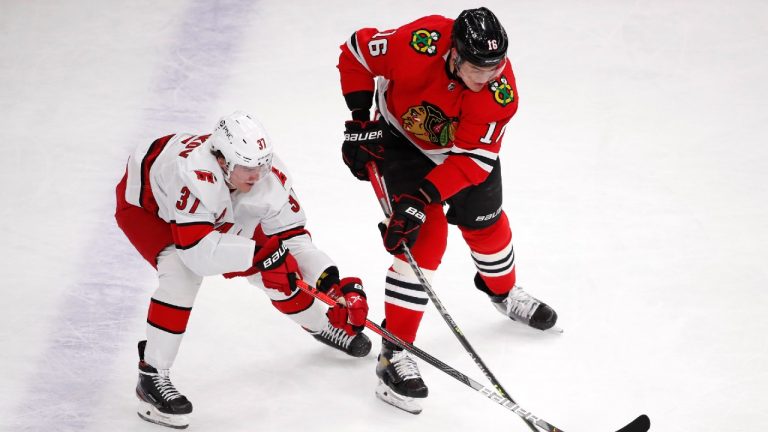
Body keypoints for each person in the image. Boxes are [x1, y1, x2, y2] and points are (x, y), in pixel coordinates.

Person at [337, 7, 558, 413]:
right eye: (477, 68)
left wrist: (422, 198)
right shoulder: (415, 42)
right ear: (453, 53)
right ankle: (394, 354)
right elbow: (355, 53)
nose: (488, 78)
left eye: (496, 67)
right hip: (401, 141)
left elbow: (472, 163)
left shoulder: (499, 93)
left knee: (488, 226)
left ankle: (503, 294)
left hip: (461, 158)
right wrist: (358, 122)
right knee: (423, 243)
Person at [115, 111, 370, 429]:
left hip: (215, 205)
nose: (258, 175)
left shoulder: (266, 173)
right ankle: (151, 377)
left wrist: (333, 283)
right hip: (147, 208)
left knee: (278, 267)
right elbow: (197, 255)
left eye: (262, 165)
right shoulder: (193, 174)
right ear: (221, 160)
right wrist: (261, 255)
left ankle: (321, 326)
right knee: (181, 277)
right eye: (248, 168)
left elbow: (293, 238)